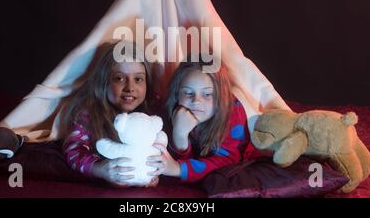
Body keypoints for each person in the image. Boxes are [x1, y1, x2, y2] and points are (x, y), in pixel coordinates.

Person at [61, 40, 159, 187]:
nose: (130, 87)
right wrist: (99, 169)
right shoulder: (89, 115)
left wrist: (153, 173)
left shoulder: (150, 115)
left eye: (138, 79)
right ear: (104, 82)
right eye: (119, 78)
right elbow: (74, 150)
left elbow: (156, 152)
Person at [147, 56, 258, 183]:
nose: (196, 101)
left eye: (207, 94)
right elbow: (187, 158)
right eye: (188, 93)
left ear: (221, 97)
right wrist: (180, 135)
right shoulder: (176, 111)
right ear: (177, 94)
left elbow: (226, 162)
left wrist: (178, 169)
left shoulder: (234, 114)